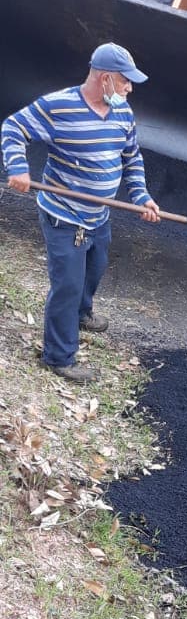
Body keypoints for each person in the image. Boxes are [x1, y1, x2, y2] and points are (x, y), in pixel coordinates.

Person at [1, 42, 161, 384]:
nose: (129, 89)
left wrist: (142, 196)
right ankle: (58, 356)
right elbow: (13, 128)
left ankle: (81, 313)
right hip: (64, 216)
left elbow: (131, 156)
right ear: (105, 79)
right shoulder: (58, 106)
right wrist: (18, 168)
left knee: (94, 269)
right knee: (68, 285)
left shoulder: (122, 112)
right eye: (125, 81)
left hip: (99, 215)